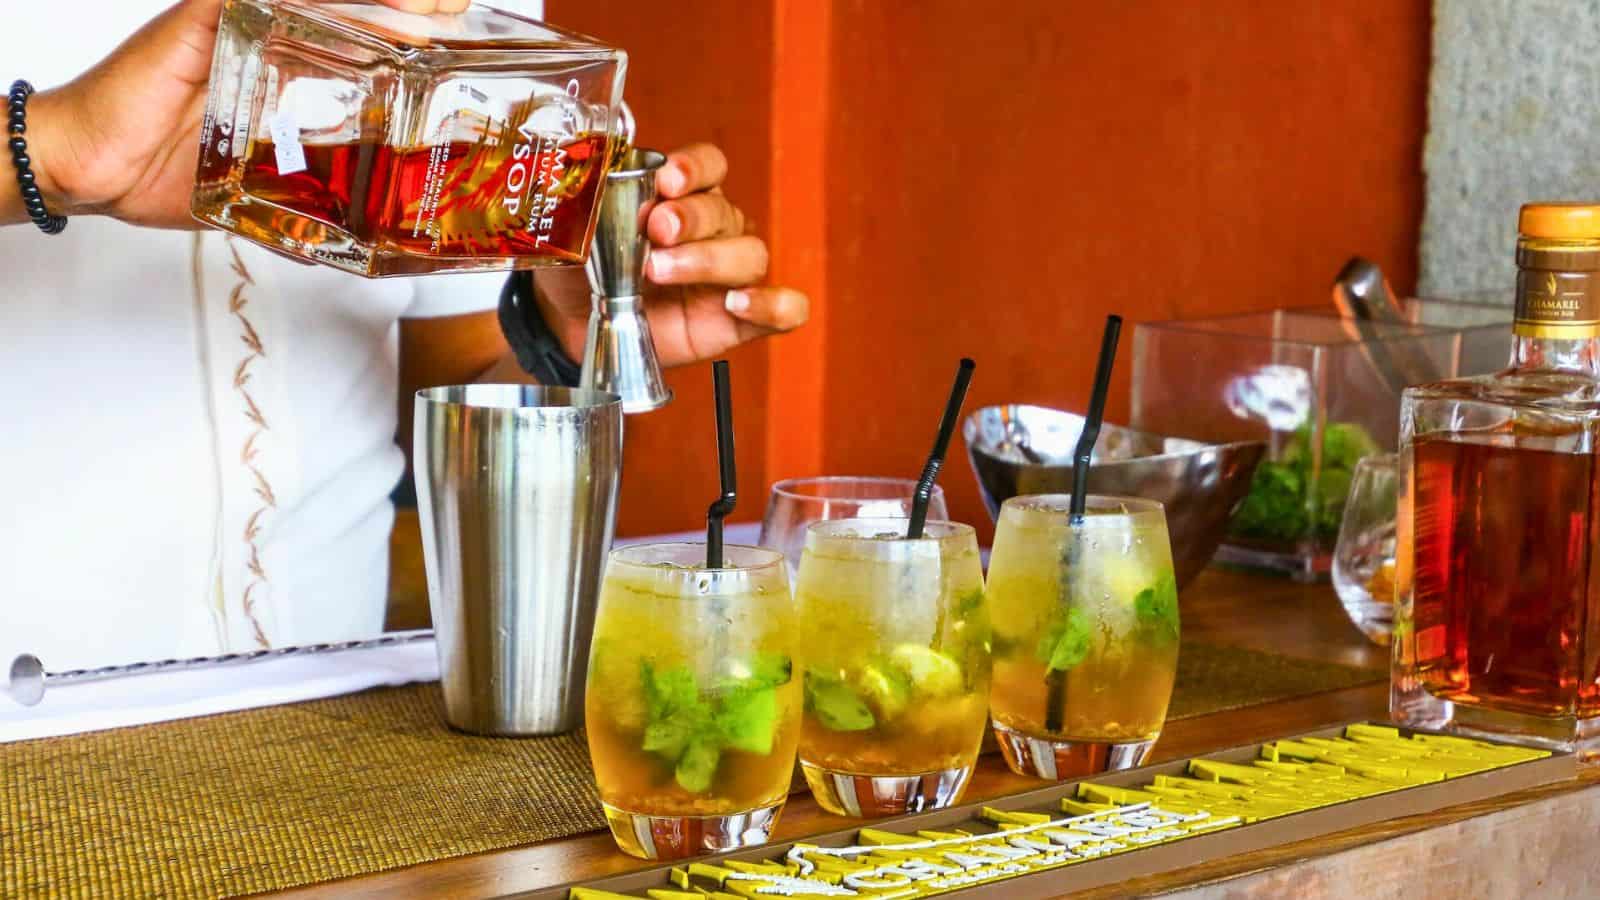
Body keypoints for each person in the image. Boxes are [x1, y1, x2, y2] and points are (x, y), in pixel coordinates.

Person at [0, 0, 808, 669]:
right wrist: (49, 148)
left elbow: (451, 380)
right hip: (33, 710)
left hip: (328, 695)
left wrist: (559, 340)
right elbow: (65, 148)